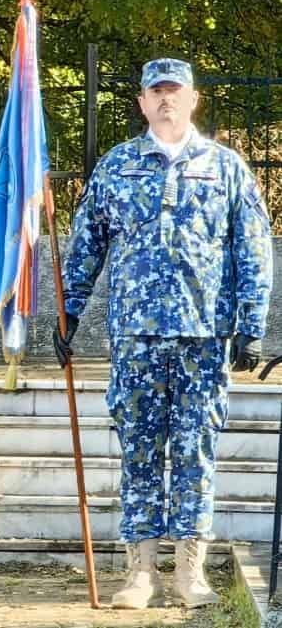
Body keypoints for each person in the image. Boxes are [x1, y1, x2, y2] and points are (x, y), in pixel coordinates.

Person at [58, 58, 272, 609]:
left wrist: (251, 324)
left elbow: (251, 247)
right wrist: (70, 314)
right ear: (142, 103)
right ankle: (140, 573)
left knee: (196, 450)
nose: (166, 100)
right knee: (140, 451)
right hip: (136, 337)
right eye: (156, 92)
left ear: (194, 99)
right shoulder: (117, 166)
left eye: (175, 91)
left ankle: (190, 572)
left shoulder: (225, 167)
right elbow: (86, 244)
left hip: (205, 337)